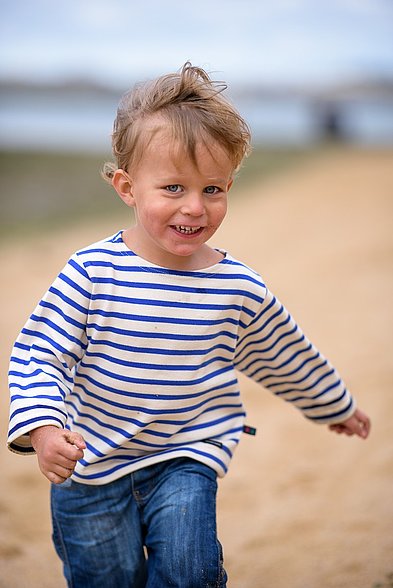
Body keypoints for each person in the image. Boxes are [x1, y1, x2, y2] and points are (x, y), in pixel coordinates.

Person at [7, 62, 370, 588]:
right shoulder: (91, 272)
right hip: (87, 465)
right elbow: (40, 354)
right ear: (127, 187)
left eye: (214, 189)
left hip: (185, 455)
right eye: (173, 187)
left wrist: (334, 405)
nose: (195, 208)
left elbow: (284, 353)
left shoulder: (238, 287)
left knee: (189, 574)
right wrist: (42, 429)